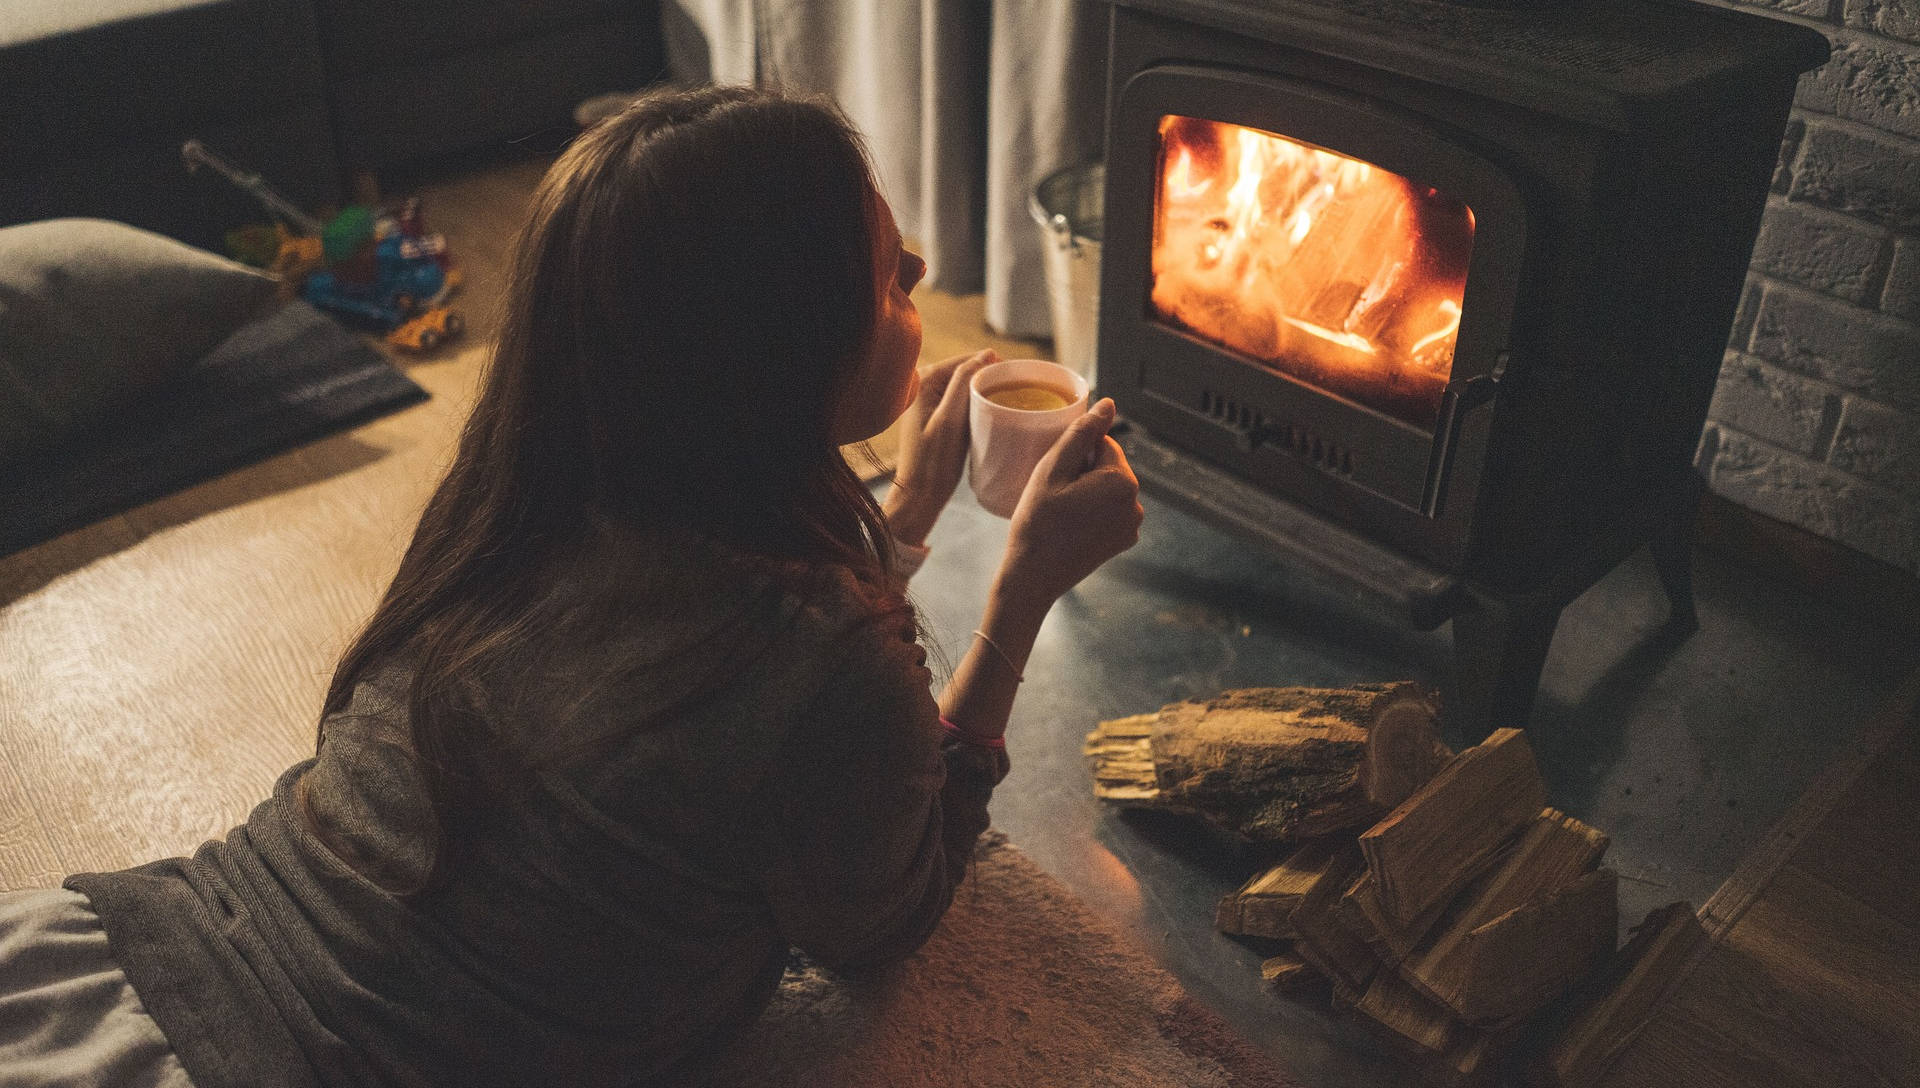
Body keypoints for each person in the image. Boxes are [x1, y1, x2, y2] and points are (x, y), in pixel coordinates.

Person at [0, 85, 1142, 1086]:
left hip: (139, 952)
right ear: (774, 350)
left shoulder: (520, 501)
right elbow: (887, 914)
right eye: (886, 269)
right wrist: (1021, 595)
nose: (924, 274)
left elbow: (716, 683)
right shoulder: (827, 675)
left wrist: (898, 524)